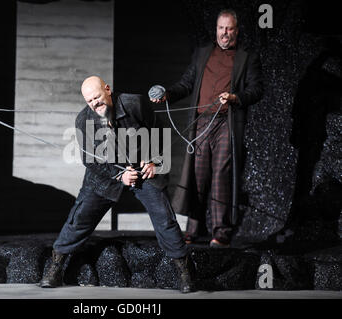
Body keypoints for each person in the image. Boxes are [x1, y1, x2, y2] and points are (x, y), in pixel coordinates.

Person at [40, 76, 194, 293]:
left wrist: (153, 160)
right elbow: (89, 159)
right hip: (107, 173)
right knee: (79, 218)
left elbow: (158, 129)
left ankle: (184, 272)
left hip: (141, 168)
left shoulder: (134, 103)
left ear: (108, 89)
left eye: (97, 97)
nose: (94, 103)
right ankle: (55, 268)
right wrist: (118, 175)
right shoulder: (83, 120)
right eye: (89, 101)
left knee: (164, 218)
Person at [151, 9, 263, 247]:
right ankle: (193, 229)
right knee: (198, 175)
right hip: (202, 122)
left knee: (221, 174)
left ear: (237, 30)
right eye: (221, 28)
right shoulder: (202, 54)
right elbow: (186, 84)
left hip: (226, 123)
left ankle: (221, 232)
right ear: (216, 30)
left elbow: (256, 90)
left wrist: (234, 97)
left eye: (230, 29)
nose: (225, 33)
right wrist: (167, 96)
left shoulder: (246, 57)